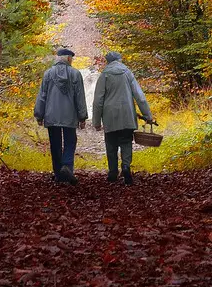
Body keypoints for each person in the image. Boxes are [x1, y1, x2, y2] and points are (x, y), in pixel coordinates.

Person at [90, 50, 155, 186]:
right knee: (126, 142)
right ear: (119, 60)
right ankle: (126, 167)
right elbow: (139, 96)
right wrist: (148, 115)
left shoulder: (104, 75)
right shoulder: (127, 73)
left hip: (110, 116)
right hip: (127, 114)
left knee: (111, 143)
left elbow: (98, 100)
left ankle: (113, 172)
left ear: (108, 62)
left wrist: (96, 122)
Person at [33, 46, 88, 183]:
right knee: (70, 141)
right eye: (72, 59)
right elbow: (80, 97)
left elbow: (42, 96)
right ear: (68, 59)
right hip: (70, 115)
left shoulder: (48, 74)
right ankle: (67, 167)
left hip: (51, 115)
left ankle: (58, 174)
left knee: (55, 144)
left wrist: (39, 114)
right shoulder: (75, 74)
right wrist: (82, 116)